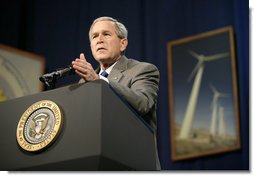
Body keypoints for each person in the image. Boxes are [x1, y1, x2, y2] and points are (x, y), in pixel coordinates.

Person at [72, 16, 160, 170]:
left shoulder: (143, 70)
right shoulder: (83, 82)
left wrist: (100, 81)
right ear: (91, 46)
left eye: (106, 34)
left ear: (122, 43)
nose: (99, 39)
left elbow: (143, 102)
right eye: (94, 36)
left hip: (134, 165)